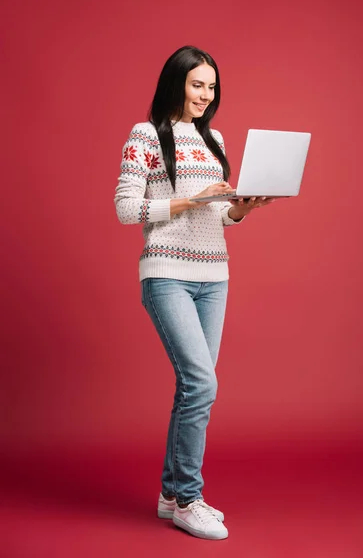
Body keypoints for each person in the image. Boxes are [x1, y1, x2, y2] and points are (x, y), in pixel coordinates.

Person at [114, 46, 275, 540]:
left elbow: (218, 216)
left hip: (215, 276)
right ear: (175, 83)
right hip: (167, 273)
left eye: (211, 86)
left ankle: (168, 496)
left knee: (193, 388)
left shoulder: (214, 139)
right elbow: (125, 209)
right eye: (196, 85)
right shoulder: (146, 135)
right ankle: (189, 498)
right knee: (202, 384)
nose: (205, 95)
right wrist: (191, 199)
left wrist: (242, 209)